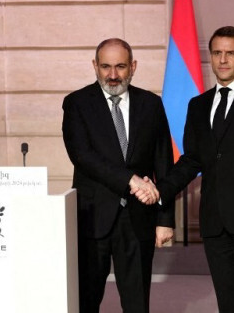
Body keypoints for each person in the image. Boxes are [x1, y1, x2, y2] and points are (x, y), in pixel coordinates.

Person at [135, 26, 234, 312]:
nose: (223, 60)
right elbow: (192, 160)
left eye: (231, 53)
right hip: (215, 222)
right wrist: (159, 190)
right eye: (217, 53)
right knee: (228, 304)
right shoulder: (198, 104)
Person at [62, 38, 173, 313]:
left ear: (133, 66)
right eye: (106, 67)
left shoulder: (151, 104)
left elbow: (164, 164)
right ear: (95, 66)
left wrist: (165, 219)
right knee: (85, 301)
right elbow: (83, 156)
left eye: (121, 66)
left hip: (138, 220)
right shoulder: (77, 103)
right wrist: (130, 180)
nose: (113, 75)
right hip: (92, 218)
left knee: (137, 303)